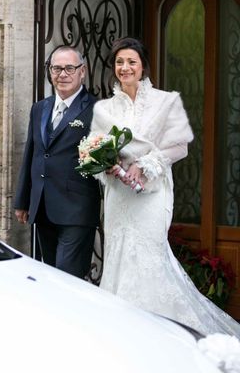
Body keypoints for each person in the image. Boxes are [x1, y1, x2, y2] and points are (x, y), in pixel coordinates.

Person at [91, 37, 240, 336]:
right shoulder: (104, 108)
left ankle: (159, 332)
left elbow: (180, 146)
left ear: (143, 65)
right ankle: (120, 330)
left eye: (131, 61)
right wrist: (106, 164)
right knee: (118, 255)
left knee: (148, 255)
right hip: (119, 196)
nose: (125, 67)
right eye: (120, 62)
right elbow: (94, 148)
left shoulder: (166, 100)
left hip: (150, 194)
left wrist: (144, 165)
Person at [14, 46, 101, 279]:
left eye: (69, 68)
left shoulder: (97, 109)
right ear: (50, 72)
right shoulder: (40, 108)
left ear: (82, 71)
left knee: (68, 278)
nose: (62, 74)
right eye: (56, 68)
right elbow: (31, 155)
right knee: (51, 277)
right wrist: (23, 200)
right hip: (43, 207)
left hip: (77, 210)